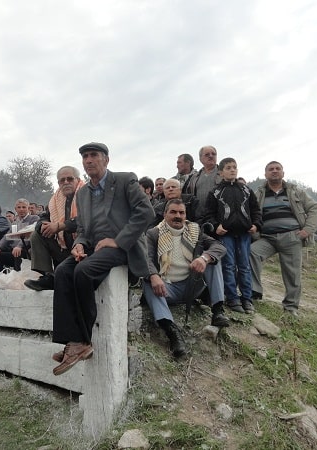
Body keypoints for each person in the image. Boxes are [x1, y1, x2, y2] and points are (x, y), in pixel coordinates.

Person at [51, 142, 154, 376]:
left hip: (123, 246)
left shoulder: (125, 180)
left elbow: (146, 213)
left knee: (83, 271)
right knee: (63, 271)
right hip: (94, 247)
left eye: (94, 155)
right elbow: (84, 229)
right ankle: (75, 340)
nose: (89, 160)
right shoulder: (84, 193)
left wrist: (118, 240)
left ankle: (81, 341)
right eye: (85, 157)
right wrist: (78, 244)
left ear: (106, 159)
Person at [144, 199, 230, 357]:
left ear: (185, 215)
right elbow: (146, 258)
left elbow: (219, 247)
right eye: (173, 212)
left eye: (181, 213)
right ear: (165, 214)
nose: (178, 216)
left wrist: (204, 258)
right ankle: (173, 334)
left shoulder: (195, 231)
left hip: (192, 285)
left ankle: (218, 310)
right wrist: (154, 275)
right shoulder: (153, 233)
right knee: (148, 282)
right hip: (166, 288)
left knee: (212, 261)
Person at [249, 161, 317, 316]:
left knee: (292, 273)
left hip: (291, 236)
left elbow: (314, 208)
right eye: (271, 169)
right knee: (252, 252)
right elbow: (251, 213)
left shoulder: (295, 191)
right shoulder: (259, 194)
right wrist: (255, 233)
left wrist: (307, 230)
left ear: (283, 173)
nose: (274, 171)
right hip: (267, 238)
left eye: (277, 169)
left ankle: (291, 308)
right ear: (265, 174)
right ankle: (254, 293)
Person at [203, 157, 262, 313]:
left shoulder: (246, 190)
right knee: (228, 266)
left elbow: (256, 210)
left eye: (234, 167)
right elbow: (209, 213)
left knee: (244, 266)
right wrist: (216, 226)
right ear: (221, 172)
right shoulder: (215, 192)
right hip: (226, 234)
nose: (232, 170)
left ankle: (247, 299)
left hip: (244, 233)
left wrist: (256, 224)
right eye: (228, 167)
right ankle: (232, 298)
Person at [24, 166, 84, 291]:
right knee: (37, 234)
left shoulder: (87, 194)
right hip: (63, 248)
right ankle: (48, 276)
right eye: (62, 180)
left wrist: (60, 226)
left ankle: (61, 275)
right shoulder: (55, 199)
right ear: (58, 183)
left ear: (77, 180)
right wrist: (46, 225)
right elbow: (42, 218)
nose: (66, 182)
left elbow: (87, 220)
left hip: (84, 247)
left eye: (69, 179)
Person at [0, 198, 39, 273]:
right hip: (14, 250)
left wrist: (20, 246)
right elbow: (7, 236)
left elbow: (31, 233)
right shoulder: (15, 223)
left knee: (17, 253)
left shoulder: (34, 218)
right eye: (19, 207)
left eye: (24, 207)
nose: (21, 209)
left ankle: (18, 278)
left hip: (27, 250)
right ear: (15, 209)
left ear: (28, 208)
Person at [188, 146, 223, 219]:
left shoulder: (224, 174)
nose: (211, 156)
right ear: (200, 159)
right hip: (200, 219)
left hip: (220, 217)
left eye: (213, 154)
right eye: (207, 154)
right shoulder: (194, 178)